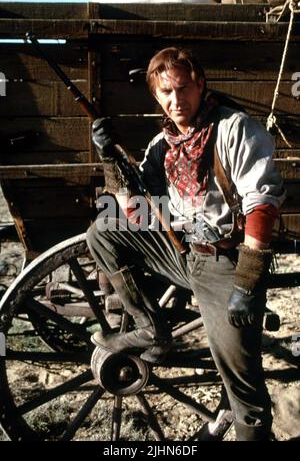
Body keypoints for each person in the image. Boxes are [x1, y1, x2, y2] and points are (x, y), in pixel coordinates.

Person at [86, 47, 285, 441]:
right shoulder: (163, 144)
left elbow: (262, 204)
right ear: (157, 97)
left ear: (200, 84)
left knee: (245, 391)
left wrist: (246, 283)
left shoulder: (234, 129)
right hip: (184, 253)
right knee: (103, 231)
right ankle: (150, 329)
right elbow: (138, 215)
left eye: (183, 88)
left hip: (227, 264)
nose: (177, 100)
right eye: (166, 92)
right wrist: (109, 158)